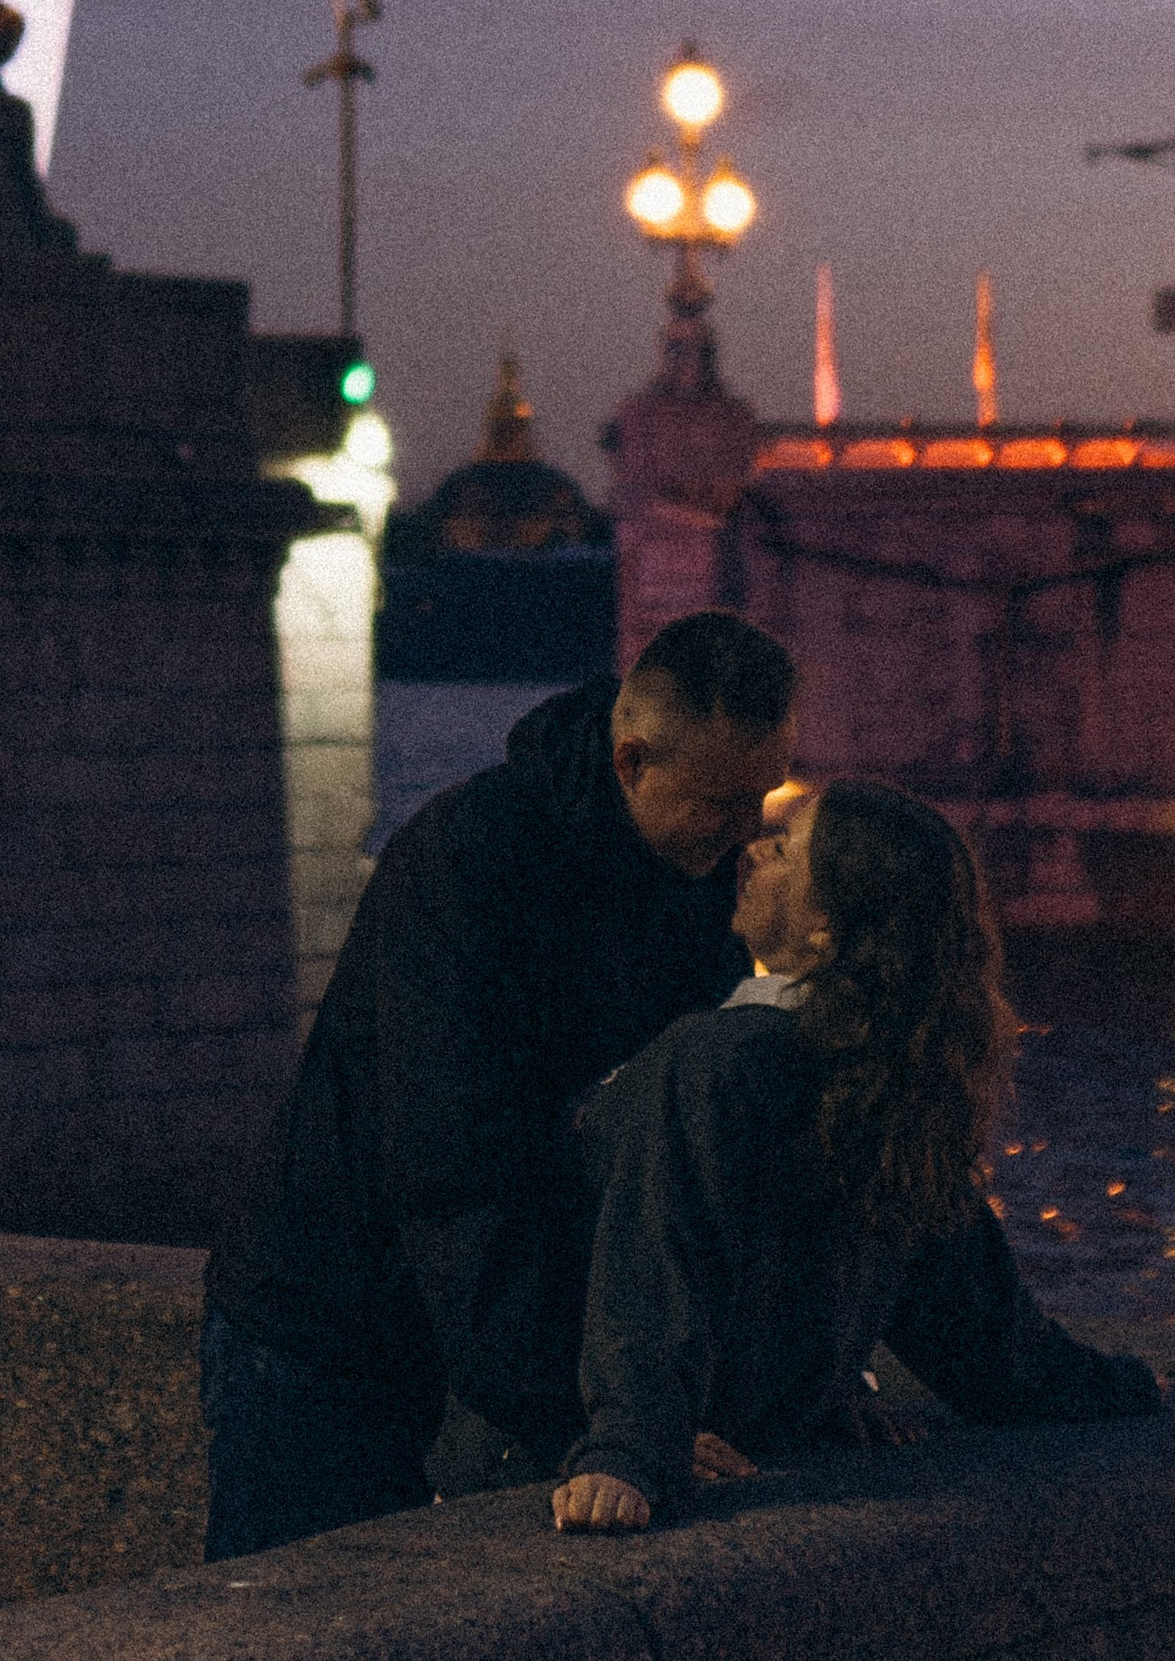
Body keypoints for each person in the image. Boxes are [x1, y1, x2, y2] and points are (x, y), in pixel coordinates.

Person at [202, 609, 798, 1560]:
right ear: (630, 760)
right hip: (327, 1323)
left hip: (475, 1326)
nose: (745, 834)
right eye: (723, 801)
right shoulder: (469, 865)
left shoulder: (685, 872)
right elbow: (457, 1175)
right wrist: (597, 1423)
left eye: (762, 798)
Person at [551, 778, 1161, 1528]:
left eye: (785, 851)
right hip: (749, 1436)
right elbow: (977, 1326)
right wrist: (1113, 1388)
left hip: (556, 1436)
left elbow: (659, 1253)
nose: (753, 851)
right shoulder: (882, 1080)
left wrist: (631, 1450)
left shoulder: (716, 1060)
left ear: (828, 932)